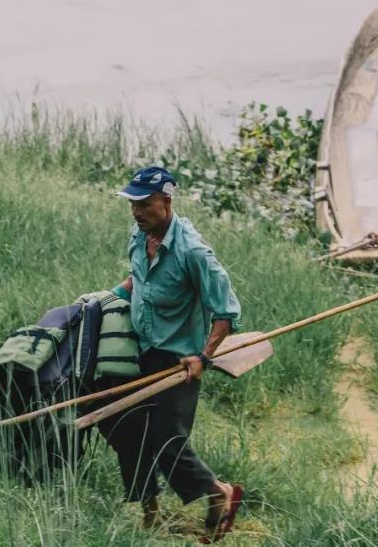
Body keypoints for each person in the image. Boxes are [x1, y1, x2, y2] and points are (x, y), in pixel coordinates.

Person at [95, 165, 244, 541]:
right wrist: (108, 298)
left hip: (179, 361)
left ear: (166, 201)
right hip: (139, 350)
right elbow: (139, 278)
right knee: (127, 430)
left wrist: (203, 356)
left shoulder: (193, 252)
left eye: (144, 204)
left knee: (166, 439)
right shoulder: (140, 234)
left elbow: (226, 311)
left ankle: (219, 493)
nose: (136, 212)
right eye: (132, 204)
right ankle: (151, 513)